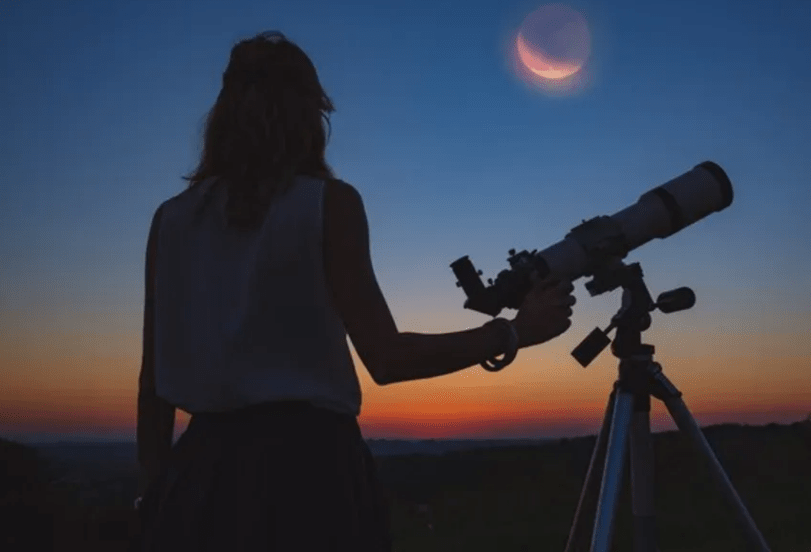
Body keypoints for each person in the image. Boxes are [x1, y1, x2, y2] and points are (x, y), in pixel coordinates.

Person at [133, 31, 576, 552]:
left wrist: (156, 496)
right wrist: (516, 331)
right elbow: (387, 359)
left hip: (201, 477)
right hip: (310, 475)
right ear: (309, 116)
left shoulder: (171, 219)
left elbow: (153, 381)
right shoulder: (329, 204)